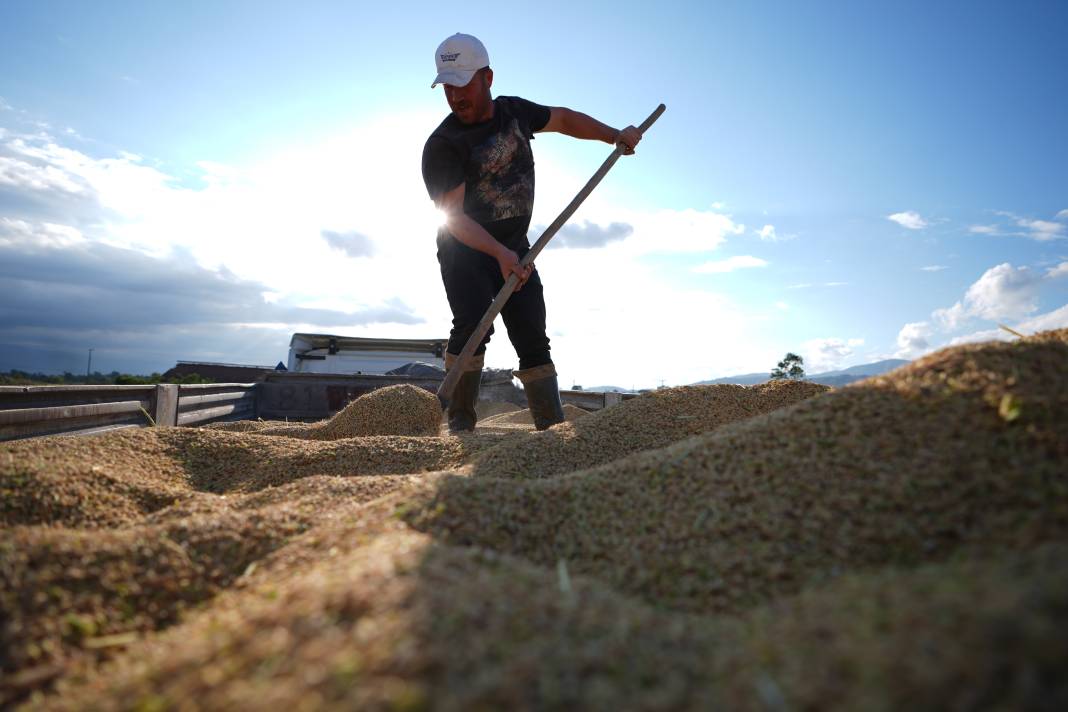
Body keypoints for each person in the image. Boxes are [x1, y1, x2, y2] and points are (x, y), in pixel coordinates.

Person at [421, 33, 641, 432]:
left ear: (487, 77)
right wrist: (498, 255)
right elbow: (452, 218)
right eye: (447, 87)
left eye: (463, 84)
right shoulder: (443, 145)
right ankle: (459, 425)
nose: (455, 96)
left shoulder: (515, 113)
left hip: (516, 250)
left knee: (532, 334)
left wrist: (614, 135)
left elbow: (563, 119)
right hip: (465, 250)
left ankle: (550, 429)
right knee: (472, 325)